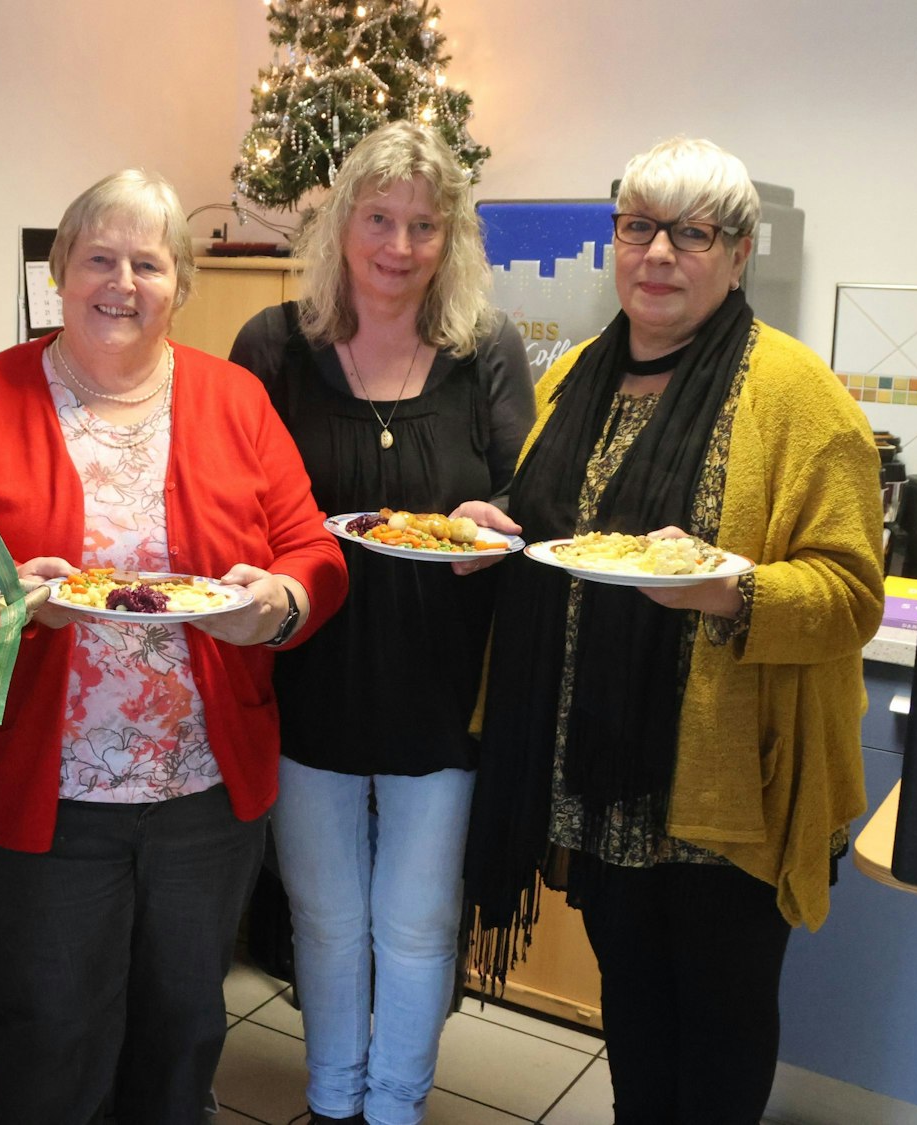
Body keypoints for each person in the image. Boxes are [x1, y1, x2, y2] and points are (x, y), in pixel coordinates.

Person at [459, 138, 883, 1124]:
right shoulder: (574, 376)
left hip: (721, 794)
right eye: (638, 226)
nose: (657, 254)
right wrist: (495, 523)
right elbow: (553, 534)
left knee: (720, 1027)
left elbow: (849, 594)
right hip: (601, 781)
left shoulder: (794, 396)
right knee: (636, 1018)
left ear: (736, 255)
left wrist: (729, 593)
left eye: (689, 234)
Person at [0, 169, 348, 1125]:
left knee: (181, 1030)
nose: (122, 282)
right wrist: (8, 598)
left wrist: (280, 604)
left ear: (180, 285)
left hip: (202, 790)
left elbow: (313, 550)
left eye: (149, 264)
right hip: (46, 791)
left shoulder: (235, 398)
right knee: (50, 1033)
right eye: (100, 259)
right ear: (59, 269)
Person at [228, 121, 532, 1125]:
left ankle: (395, 1105)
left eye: (422, 226)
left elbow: (515, 498)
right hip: (308, 676)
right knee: (322, 913)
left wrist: (491, 525)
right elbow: (235, 502)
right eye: (378, 220)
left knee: (414, 919)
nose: (398, 247)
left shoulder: (483, 349)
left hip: (440, 683)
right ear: (339, 225)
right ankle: (330, 1097)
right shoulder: (272, 346)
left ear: (448, 240)